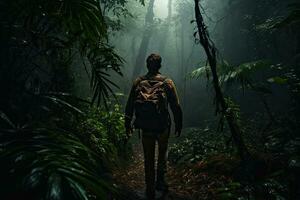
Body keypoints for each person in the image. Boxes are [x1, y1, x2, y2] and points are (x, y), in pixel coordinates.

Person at [125, 53, 183, 199]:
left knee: (148, 158)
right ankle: (160, 182)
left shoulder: (138, 82)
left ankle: (149, 188)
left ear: (147, 65)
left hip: (146, 127)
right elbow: (176, 105)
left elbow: (130, 104)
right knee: (162, 154)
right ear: (160, 65)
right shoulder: (167, 82)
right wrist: (178, 123)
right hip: (163, 126)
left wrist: (128, 123)